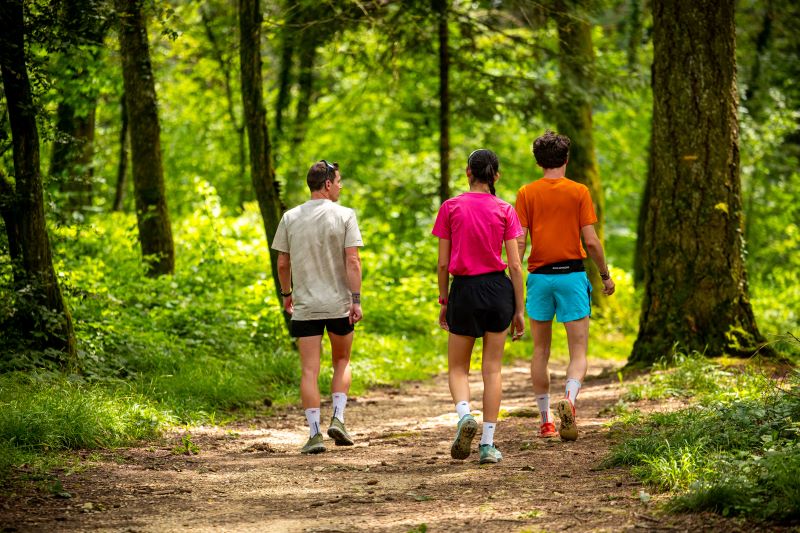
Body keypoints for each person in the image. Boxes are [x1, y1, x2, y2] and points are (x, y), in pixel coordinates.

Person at [514, 131, 615, 442]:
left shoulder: (526, 193)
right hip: (571, 276)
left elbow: (519, 242)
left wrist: (514, 282)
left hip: (540, 278)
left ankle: (546, 421)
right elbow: (592, 241)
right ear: (566, 159)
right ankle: (569, 402)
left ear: (537, 161)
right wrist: (604, 274)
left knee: (540, 351)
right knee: (578, 351)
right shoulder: (579, 192)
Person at [432, 149, 526, 464]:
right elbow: (515, 265)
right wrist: (519, 309)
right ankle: (487, 444)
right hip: (499, 290)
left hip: (464, 291)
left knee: (459, 367)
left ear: (468, 172)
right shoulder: (505, 209)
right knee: (493, 369)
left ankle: (463, 416)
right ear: (495, 176)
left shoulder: (450, 207)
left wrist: (444, 300)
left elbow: (443, 264)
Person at [272, 160, 364, 454]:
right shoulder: (345, 216)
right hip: (338, 305)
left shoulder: (290, 217)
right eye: (338, 181)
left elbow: (283, 262)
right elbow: (353, 261)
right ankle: (338, 417)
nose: (340, 186)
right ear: (326, 184)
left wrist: (287, 293)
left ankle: (314, 434)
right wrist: (356, 299)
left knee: (309, 371)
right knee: (341, 361)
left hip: (306, 305)